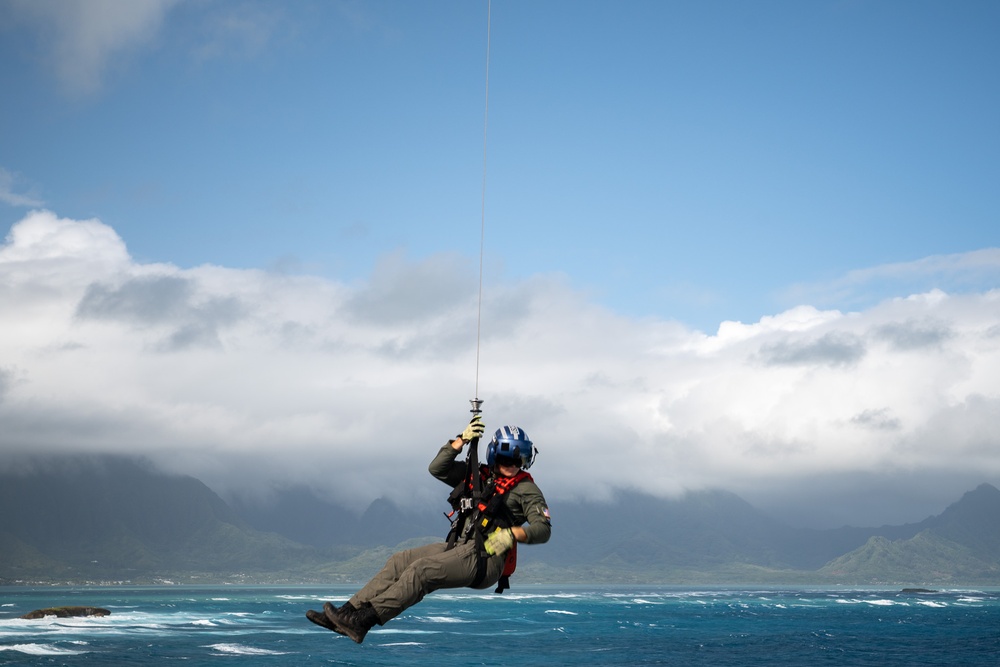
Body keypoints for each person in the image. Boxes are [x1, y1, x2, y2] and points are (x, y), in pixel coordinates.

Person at [306, 414, 551, 643]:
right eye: (508, 459)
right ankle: (346, 614)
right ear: (496, 456)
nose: (513, 465)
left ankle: (364, 621)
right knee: (400, 561)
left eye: (519, 460)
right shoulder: (479, 475)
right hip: (461, 546)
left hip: (486, 559)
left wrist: (513, 534)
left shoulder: (526, 489)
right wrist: (461, 440)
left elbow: (543, 528)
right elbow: (437, 468)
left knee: (422, 571)